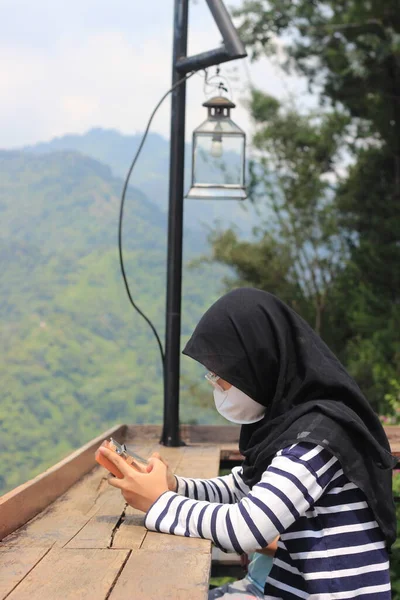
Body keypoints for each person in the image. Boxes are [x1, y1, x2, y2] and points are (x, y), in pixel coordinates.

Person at [98, 287, 397, 599]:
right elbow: (242, 487)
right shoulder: (289, 426)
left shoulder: (317, 440)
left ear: (256, 363)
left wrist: (158, 501)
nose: (214, 383)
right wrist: (173, 485)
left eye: (218, 374)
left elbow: (246, 529)